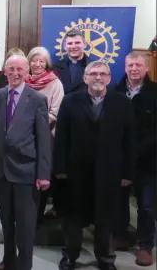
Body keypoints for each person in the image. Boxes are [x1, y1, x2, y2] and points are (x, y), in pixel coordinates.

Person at [55, 61, 136, 270]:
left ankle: (105, 259)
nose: (98, 77)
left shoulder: (122, 103)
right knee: (73, 219)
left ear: (109, 78)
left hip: (110, 173)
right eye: (93, 74)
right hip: (76, 172)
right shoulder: (70, 101)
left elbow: (129, 141)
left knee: (105, 220)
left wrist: (127, 172)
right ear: (85, 78)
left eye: (102, 74)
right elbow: (61, 138)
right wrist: (60, 169)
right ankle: (70, 256)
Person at [0, 55, 51, 270]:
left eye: (19, 70)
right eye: (11, 69)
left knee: (25, 225)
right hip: (1, 171)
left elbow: (44, 139)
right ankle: (8, 261)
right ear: (4, 72)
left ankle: (24, 265)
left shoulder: (37, 99)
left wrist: (43, 174)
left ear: (27, 72)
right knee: (7, 222)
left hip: (27, 172)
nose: (15, 73)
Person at [112, 52, 156, 266]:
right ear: (125, 67)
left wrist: (137, 150)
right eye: (130, 65)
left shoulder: (155, 93)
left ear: (146, 68)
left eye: (139, 65)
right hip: (119, 160)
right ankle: (120, 236)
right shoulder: (115, 92)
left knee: (146, 205)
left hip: (148, 160)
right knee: (118, 201)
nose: (134, 69)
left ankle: (146, 246)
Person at [24, 47, 65, 223]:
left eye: (42, 61)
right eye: (34, 60)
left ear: (46, 63)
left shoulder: (55, 83)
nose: (38, 64)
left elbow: (56, 112)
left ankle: (36, 219)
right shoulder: (22, 80)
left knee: (40, 179)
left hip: (45, 137)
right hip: (22, 139)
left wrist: (32, 124)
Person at [52, 29, 95, 94]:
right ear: (65, 46)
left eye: (77, 43)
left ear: (85, 44)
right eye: (70, 43)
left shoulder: (94, 67)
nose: (73, 46)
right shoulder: (55, 68)